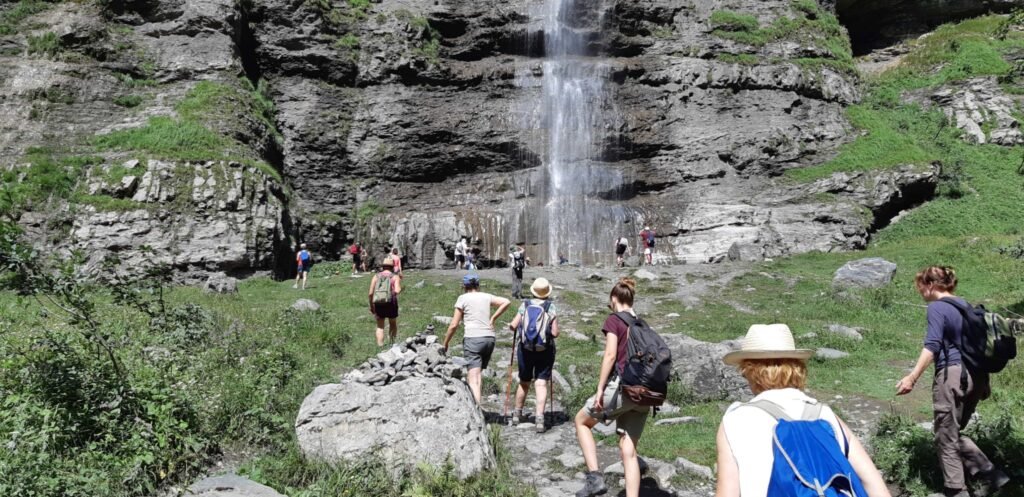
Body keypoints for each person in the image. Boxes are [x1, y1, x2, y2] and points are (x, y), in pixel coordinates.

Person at [716, 324, 891, 497]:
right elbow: (874, 484)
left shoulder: (735, 420)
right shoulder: (825, 414)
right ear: (797, 368)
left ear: (750, 371)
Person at [895, 266, 1010, 497]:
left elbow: (933, 345)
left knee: (946, 437)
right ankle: (992, 475)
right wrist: (984, 382)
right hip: (976, 378)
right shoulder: (966, 306)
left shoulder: (937, 307)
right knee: (951, 432)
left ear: (930, 285)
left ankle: (956, 491)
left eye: (920, 286)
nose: (919, 292)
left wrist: (912, 377)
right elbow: (977, 348)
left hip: (953, 377)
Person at [573, 278, 650, 497]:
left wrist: (600, 389)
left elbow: (610, 355)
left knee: (581, 421)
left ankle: (595, 478)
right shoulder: (643, 323)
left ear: (614, 299)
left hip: (623, 387)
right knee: (629, 450)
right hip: (644, 392)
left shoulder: (615, 320)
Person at [443, 274, 511, 404]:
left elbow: (454, 324)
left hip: (473, 339)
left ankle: (477, 413)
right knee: (479, 375)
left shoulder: (462, 298)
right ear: (478, 285)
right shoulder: (486, 296)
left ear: (464, 286)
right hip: (489, 339)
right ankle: (478, 408)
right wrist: (493, 318)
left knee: (473, 378)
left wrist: (446, 342)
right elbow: (506, 302)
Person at [507, 277, 559, 433]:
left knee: (524, 381)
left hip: (525, 350)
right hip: (544, 350)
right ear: (546, 292)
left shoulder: (525, 305)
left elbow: (513, 325)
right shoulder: (550, 307)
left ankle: (517, 414)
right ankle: (540, 419)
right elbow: (555, 333)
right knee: (541, 383)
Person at [368, 256, 402, 347]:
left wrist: (372, 306)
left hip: (378, 302)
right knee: (392, 323)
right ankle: (392, 344)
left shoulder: (376, 276)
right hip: (391, 302)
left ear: (383, 266)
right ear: (392, 267)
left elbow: (370, 293)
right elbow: (397, 290)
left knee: (380, 326)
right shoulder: (395, 276)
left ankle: (380, 346)